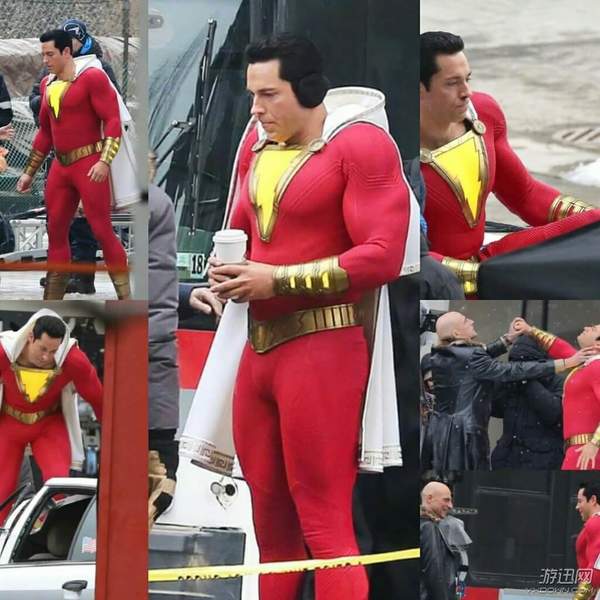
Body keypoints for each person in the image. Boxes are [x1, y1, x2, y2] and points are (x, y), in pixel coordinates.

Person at [204, 33, 410, 600]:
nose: (256, 108)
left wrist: (276, 279)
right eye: (252, 94)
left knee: (324, 525)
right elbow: (241, 235)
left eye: (268, 94)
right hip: (259, 351)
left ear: (311, 88)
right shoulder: (255, 147)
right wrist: (219, 281)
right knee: (270, 533)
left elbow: (383, 255)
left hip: (324, 348)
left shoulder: (360, 144)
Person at [419, 31, 600, 295]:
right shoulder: (393, 150)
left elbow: (526, 195)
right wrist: (482, 277)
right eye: (452, 83)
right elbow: (406, 254)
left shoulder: (484, 112)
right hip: (436, 281)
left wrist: (591, 220)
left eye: (467, 79)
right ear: (419, 88)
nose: (466, 92)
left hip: (489, 266)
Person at [16, 29, 130, 299]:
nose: (45, 60)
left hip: (89, 164)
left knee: (101, 229)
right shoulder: (48, 84)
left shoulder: (92, 77)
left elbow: (113, 120)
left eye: (50, 54)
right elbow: (46, 133)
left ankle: (126, 298)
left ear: (66, 52)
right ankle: (52, 303)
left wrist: (104, 161)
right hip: (61, 166)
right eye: (43, 54)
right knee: (56, 232)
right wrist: (29, 172)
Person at [425, 312, 587, 471]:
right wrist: (565, 363)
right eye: (466, 320)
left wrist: (508, 339)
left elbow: (478, 357)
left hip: (442, 431)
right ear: (456, 333)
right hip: (465, 436)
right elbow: (510, 371)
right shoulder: (474, 358)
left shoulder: (441, 355)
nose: (471, 321)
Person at [0, 310, 103, 524]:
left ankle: (51, 535)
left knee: (58, 485)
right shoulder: (4, 352)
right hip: (9, 424)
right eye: (42, 349)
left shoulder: (73, 360)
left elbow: (98, 398)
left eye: (54, 351)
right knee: (2, 491)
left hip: (48, 425)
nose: (47, 357)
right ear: (30, 336)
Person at [513, 319, 600, 470]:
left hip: (588, 452)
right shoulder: (588, 365)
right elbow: (559, 347)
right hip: (579, 450)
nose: (586, 327)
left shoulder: (596, 367)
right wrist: (529, 330)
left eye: (593, 329)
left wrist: (594, 443)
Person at [490, 335, 565, 470]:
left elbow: (555, 414)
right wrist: (501, 381)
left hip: (543, 457)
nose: (521, 368)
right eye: (516, 363)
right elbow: (495, 408)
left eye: (525, 363)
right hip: (507, 456)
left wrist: (528, 382)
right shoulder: (511, 381)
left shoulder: (557, 381)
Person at [420, 481, 470, 600]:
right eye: (446, 500)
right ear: (429, 499)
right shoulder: (428, 527)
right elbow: (434, 570)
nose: (451, 506)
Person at [574, 482, 600, 600]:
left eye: (580, 501)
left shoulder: (595, 523)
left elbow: (596, 568)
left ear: (593, 500)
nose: (577, 506)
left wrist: (580, 597)